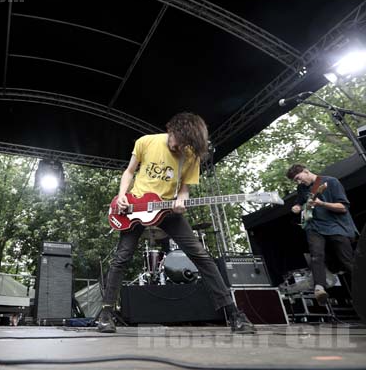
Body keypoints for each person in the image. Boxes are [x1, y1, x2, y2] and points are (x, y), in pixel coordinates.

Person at [97, 112, 255, 334]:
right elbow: (129, 171)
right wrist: (122, 195)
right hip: (135, 208)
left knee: (200, 255)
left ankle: (234, 314)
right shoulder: (146, 141)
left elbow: (185, 187)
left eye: (185, 145)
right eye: (177, 141)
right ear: (171, 130)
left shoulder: (190, 155)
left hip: (168, 210)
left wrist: (182, 198)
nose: (179, 147)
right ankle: (106, 314)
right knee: (121, 258)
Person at [286, 164, 357, 305]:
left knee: (347, 260)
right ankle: (319, 288)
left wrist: (322, 204)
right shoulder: (302, 188)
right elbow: (300, 203)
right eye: (295, 181)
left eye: (299, 178)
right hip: (314, 226)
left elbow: (343, 207)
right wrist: (297, 207)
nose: (299, 182)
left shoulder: (330, 182)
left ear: (306, 171)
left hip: (335, 226)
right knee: (316, 255)